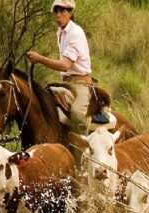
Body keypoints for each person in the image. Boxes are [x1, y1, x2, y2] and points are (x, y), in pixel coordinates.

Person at [26, 0, 93, 134]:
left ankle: (84, 146)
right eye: (56, 11)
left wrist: (40, 59)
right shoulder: (60, 32)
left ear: (70, 13)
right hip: (66, 83)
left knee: (76, 113)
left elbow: (65, 65)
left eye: (62, 11)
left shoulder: (76, 33)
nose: (58, 15)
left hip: (80, 83)